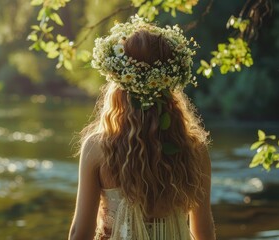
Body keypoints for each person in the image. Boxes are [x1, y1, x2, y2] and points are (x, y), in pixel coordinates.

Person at [69, 15, 216, 240]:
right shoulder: (194, 149)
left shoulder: (98, 149)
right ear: (169, 86)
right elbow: (203, 233)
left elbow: (80, 232)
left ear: (119, 86)